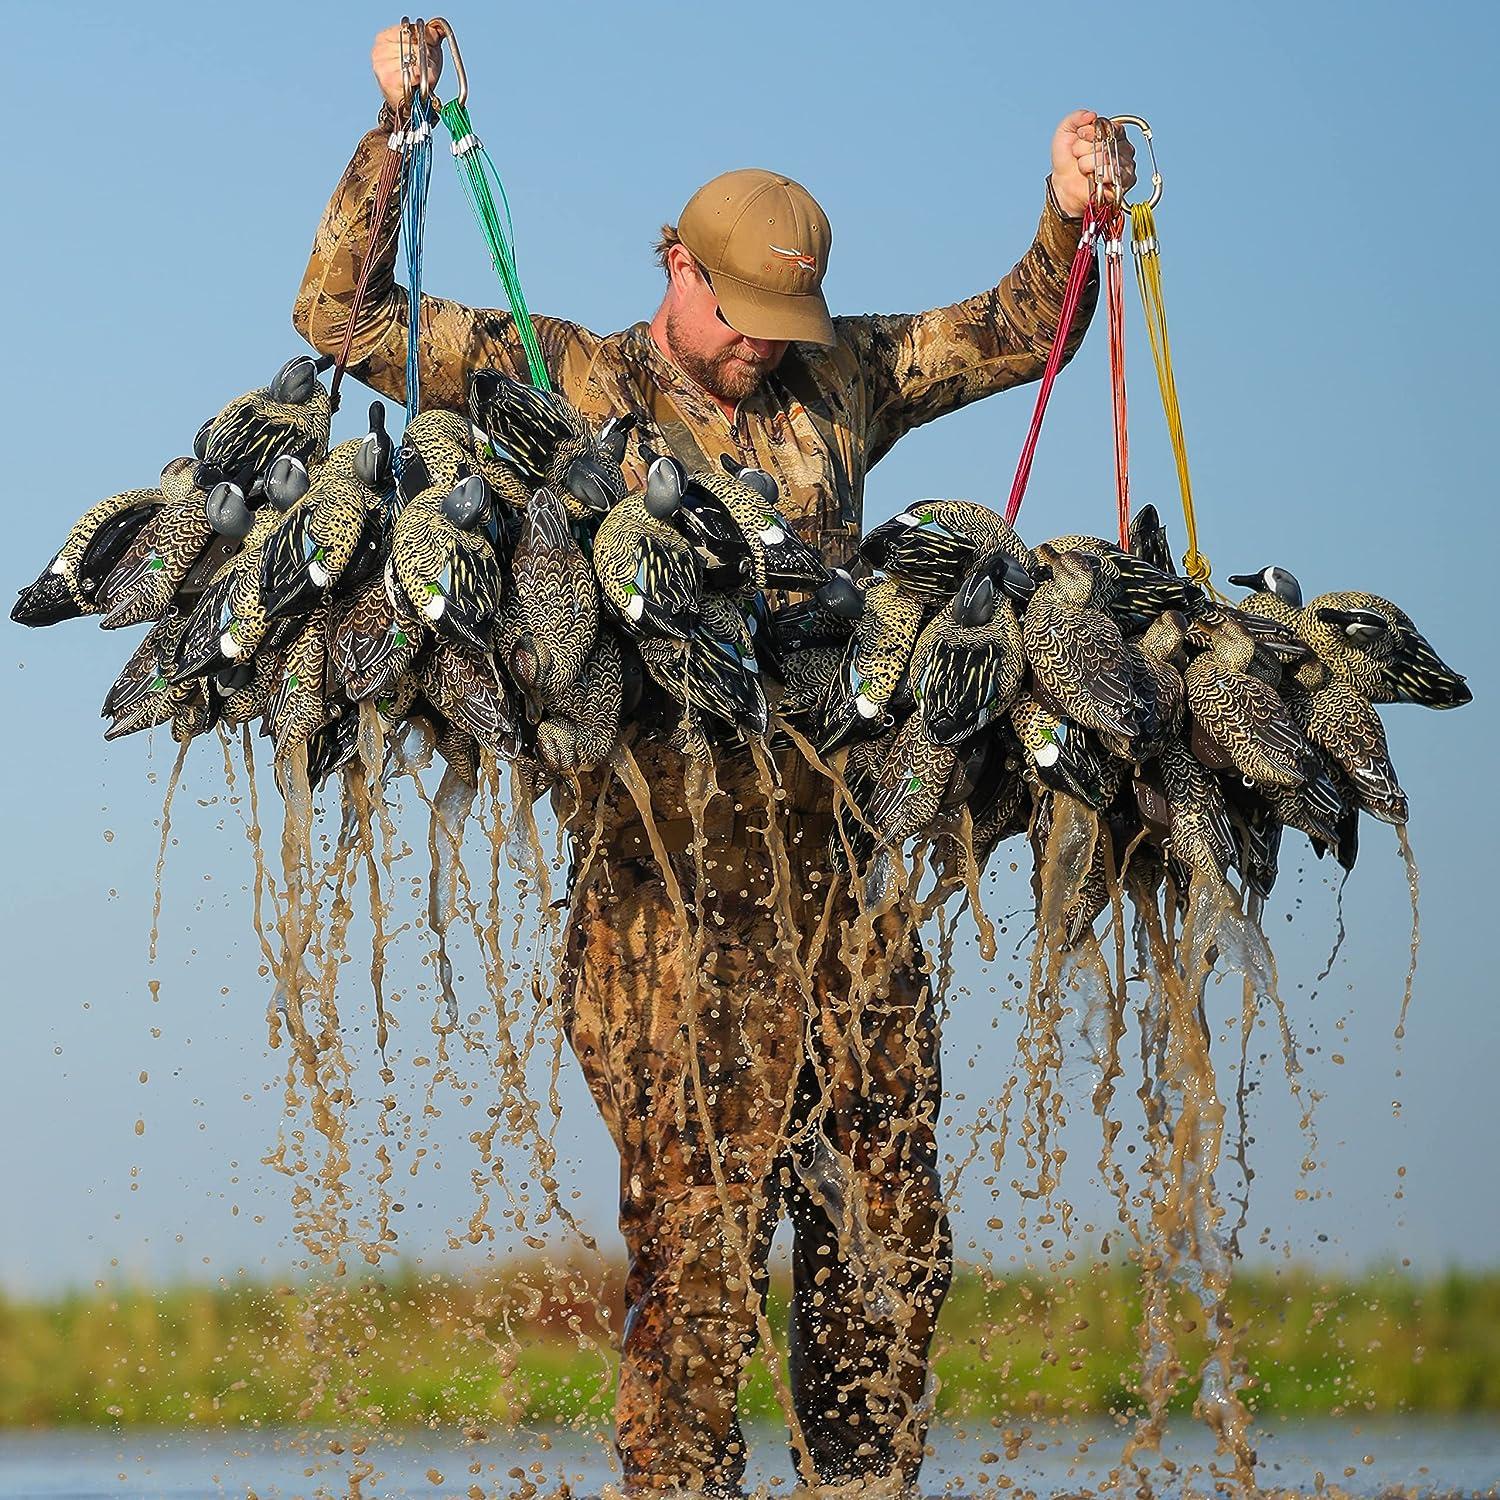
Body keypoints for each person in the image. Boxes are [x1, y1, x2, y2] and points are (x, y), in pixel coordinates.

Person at [292, 21, 1135, 1496]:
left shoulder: (843, 378)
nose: (757, 342)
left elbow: (1024, 328)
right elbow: (339, 318)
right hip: (657, 905)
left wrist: (1072, 207)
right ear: (675, 263)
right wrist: (396, 131)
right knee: (699, 1264)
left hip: (847, 895)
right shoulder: (558, 374)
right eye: (737, 309)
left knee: (891, 1246)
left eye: (779, 321)